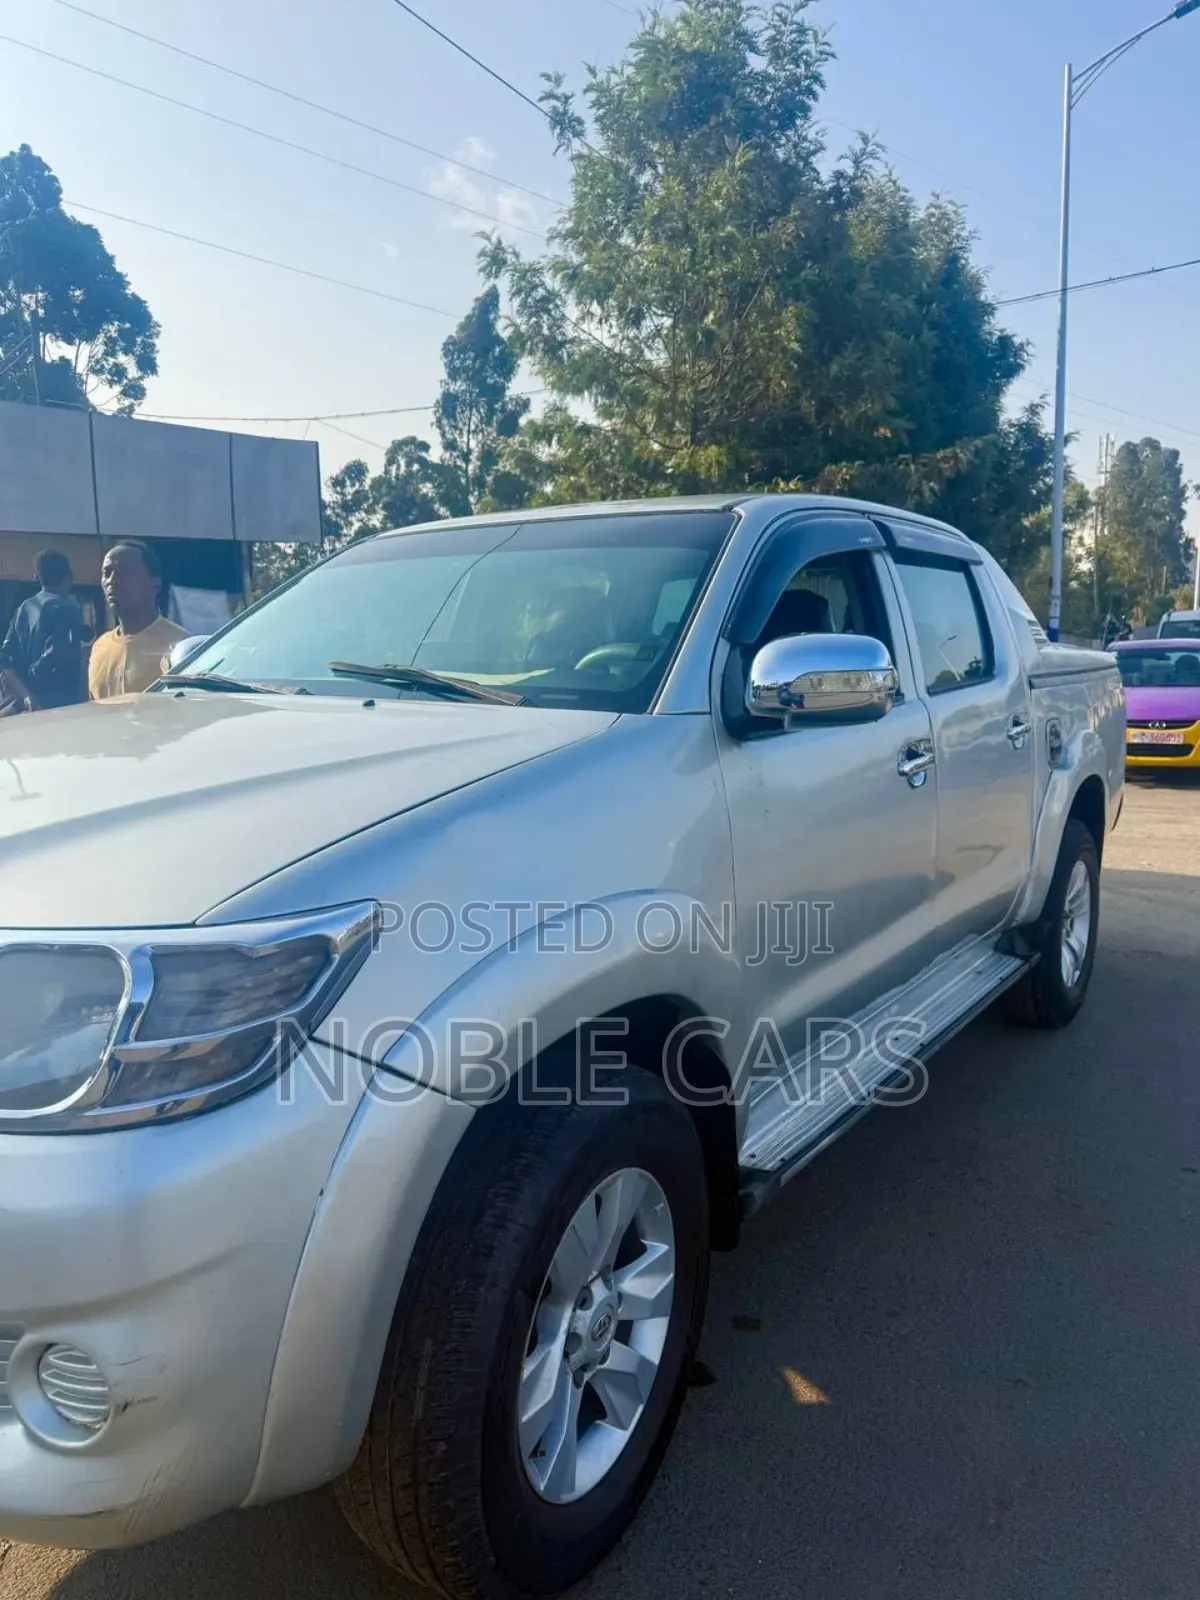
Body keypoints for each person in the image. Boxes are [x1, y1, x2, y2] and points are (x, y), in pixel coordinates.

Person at [89, 541, 188, 700]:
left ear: (155, 584)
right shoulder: (99, 647)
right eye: (107, 573)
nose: (112, 581)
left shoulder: (181, 646)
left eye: (123, 572)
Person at [0, 549, 87, 711]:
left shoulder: (23, 609)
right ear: (70, 575)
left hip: (31, 709)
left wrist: (27, 696)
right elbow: (58, 656)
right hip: (64, 706)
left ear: (37, 577)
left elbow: (5, 661)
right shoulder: (68, 608)